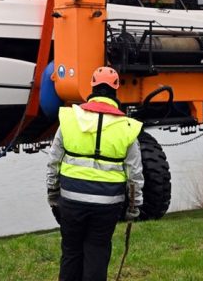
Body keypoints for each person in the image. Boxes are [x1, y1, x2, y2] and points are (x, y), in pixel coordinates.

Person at [46, 67, 144, 281]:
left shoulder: (69, 120)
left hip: (71, 200)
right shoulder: (127, 127)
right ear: (116, 90)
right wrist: (134, 207)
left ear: (91, 87)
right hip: (108, 205)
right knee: (98, 252)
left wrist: (53, 195)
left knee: (71, 252)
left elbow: (53, 163)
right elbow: (134, 175)